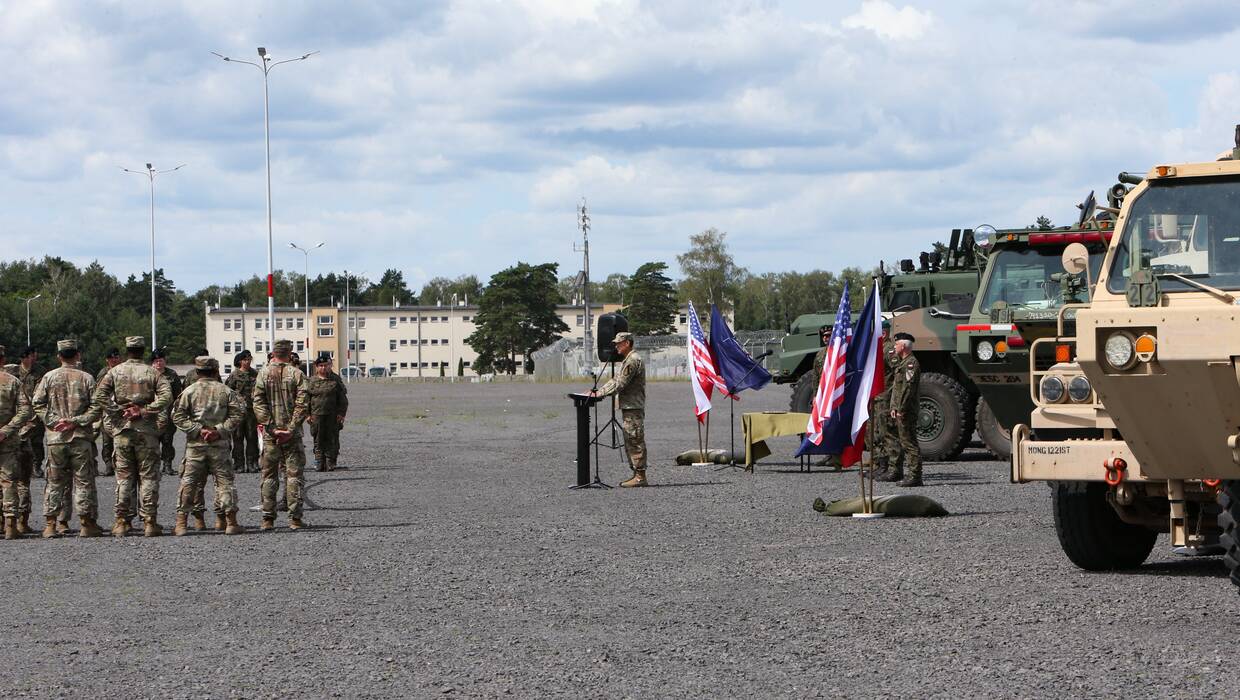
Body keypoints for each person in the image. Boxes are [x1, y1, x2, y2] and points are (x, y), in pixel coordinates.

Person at [92, 336, 173, 537]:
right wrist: (145, 410)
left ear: (127, 350)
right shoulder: (152, 372)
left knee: (124, 478)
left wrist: (119, 410)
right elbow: (166, 397)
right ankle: (149, 522)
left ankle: (121, 522)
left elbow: (99, 396)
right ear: (143, 350)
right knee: (148, 477)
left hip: (122, 431)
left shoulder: (115, 372)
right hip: (146, 431)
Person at [32, 340, 104, 538]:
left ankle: (50, 525)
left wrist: (54, 421)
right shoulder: (87, 378)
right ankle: (85, 523)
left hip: (56, 438)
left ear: (59, 356)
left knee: (54, 482)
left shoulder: (49, 377)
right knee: (83, 481)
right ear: (77, 355)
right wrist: (76, 422)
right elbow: (97, 407)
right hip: (80, 437)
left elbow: (37, 403)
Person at [171, 356, 246, 536]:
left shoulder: (189, 391)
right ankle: (230, 522)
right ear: (216, 371)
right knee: (224, 483)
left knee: (189, 483)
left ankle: (181, 524)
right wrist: (218, 430)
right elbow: (238, 414)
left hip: (196, 445)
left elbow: (177, 416)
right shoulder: (226, 391)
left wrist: (198, 430)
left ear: (197, 372)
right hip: (219, 445)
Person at [252, 339, 310, 530]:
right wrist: (291, 428)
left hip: (270, 434)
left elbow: (257, 402)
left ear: (273, 352)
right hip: (291, 435)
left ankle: (268, 519)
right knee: (293, 475)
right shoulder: (297, 374)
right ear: (290, 352)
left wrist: (271, 427)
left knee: (269, 475)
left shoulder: (263, 373)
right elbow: (303, 404)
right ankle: (295, 519)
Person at [591, 332, 648, 487]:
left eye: (619, 343)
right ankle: (636, 475)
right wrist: (599, 391)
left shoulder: (632, 360)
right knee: (630, 439)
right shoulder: (628, 359)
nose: (616, 346)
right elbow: (616, 380)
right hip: (629, 406)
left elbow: (620, 383)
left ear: (627, 343)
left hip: (633, 407)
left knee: (635, 439)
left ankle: (640, 477)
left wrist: (599, 393)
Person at [0, 346, 33, 539]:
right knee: (8, 481)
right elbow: (25, 411)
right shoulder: (13, 382)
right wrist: (6, 430)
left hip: (7, 437)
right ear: (3, 359)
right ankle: (11, 525)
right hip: (8, 439)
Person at [886, 332, 923, 487]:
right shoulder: (903, 363)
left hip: (907, 410)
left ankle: (915, 476)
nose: (894, 347)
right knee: (905, 441)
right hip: (901, 409)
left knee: (909, 442)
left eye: (896, 344)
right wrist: (894, 407)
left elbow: (908, 389)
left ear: (903, 346)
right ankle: (911, 474)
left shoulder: (910, 364)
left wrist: (901, 408)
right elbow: (898, 389)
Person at [307, 354, 348, 472]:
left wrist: (341, 413)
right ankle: (319, 462)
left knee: (332, 438)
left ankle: (331, 461)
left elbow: (343, 399)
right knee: (318, 439)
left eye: (326, 365)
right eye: (321, 366)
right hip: (316, 415)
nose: (324, 368)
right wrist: (307, 414)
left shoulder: (336, 379)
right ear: (316, 367)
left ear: (331, 366)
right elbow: (306, 399)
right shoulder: (311, 381)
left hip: (332, 415)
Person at [225, 350, 259, 473]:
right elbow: (227, 392)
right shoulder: (234, 376)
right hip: (238, 412)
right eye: (245, 359)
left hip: (251, 411)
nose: (248, 361)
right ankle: (239, 464)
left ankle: (252, 463)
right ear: (240, 361)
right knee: (238, 438)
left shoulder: (255, 374)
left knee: (252, 437)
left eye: (249, 359)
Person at [151, 348, 183, 476]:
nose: (159, 363)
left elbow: (177, 395)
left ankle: (167, 464)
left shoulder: (172, 375)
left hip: (168, 412)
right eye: (156, 361)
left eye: (161, 360)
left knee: (167, 440)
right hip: (152, 414)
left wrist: (176, 410)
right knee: (152, 441)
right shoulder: (148, 374)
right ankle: (153, 466)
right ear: (152, 362)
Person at [95, 348, 122, 476]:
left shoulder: (123, 370)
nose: (114, 360)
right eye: (111, 358)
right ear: (107, 360)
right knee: (106, 440)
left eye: (116, 357)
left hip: (120, 408)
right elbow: (99, 392)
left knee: (121, 438)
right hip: (106, 410)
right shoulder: (103, 373)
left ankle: (120, 464)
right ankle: (108, 465)